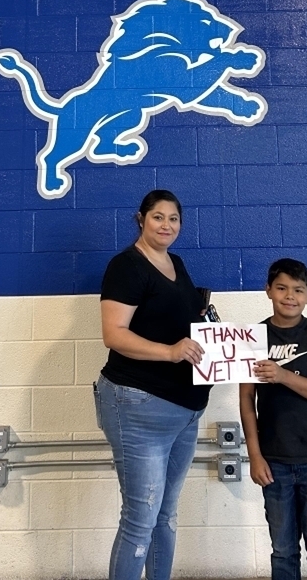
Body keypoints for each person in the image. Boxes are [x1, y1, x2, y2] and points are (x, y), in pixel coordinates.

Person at [95, 189, 211, 580]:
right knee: (140, 518)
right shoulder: (126, 266)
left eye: (173, 219)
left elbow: (176, 321)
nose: (166, 225)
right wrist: (170, 351)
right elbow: (114, 334)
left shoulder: (176, 262)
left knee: (165, 514)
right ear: (141, 219)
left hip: (185, 411)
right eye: (158, 217)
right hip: (138, 404)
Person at [240, 257, 307, 580]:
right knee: (283, 552)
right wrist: (255, 455)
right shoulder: (253, 337)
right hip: (274, 461)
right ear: (268, 290)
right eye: (281, 288)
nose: (290, 296)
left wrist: (282, 375)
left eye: (298, 290)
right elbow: (246, 399)